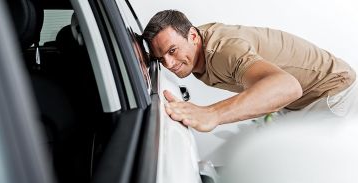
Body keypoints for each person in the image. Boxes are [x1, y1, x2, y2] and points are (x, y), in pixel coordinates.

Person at [142, 10, 357, 132]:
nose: (168, 64)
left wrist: (212, 113)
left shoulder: (224, 50)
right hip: (300, 101)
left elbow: (288, 87)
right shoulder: (195, 49)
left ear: (193, 36)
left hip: (332, 95)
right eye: (161, 59)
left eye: (172, 51)